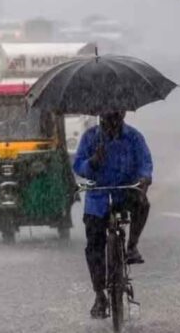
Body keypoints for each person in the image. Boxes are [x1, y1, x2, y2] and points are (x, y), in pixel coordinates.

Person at [73, 110, 153, 319]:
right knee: (94, 247)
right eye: (107, 119)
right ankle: (100, 294)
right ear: (101, 118)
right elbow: (78, 165)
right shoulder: (90, 138)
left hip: (125, 191)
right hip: (98, 198)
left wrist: (144, 178)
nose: (111, 124)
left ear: (123, 116)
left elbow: (145, 162)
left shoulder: (134, 137)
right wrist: (92, 162)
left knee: (143, 204)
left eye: (115, 118)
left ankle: (132, 246)